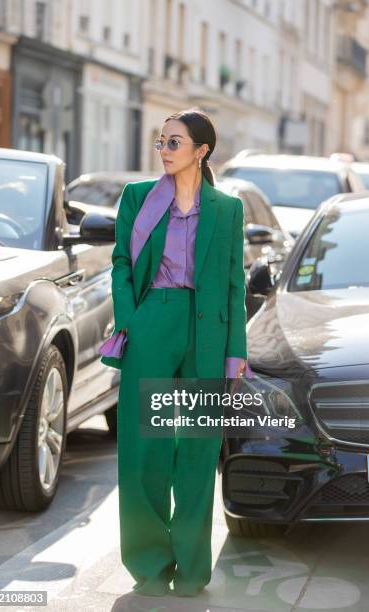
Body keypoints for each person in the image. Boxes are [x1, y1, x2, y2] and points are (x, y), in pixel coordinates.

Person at [100, 108, 250, 598]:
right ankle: (148, 564)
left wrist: (235, 352)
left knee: (198, 452)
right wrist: (131, 322)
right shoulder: (138, 198)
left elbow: (234, 284)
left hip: (207, 333)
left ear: (201, 150)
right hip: (154, 324)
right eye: (161, 141)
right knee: (146, 450)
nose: (164, 149)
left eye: (174, 142)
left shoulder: (226, 209)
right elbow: (121, 261)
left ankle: (190, 569)